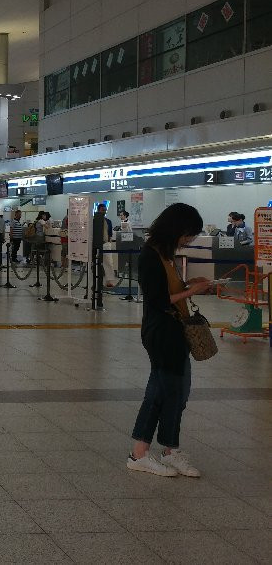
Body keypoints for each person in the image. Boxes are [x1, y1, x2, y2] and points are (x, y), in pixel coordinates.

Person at [128, 203, 211, 478]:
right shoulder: (150, 255)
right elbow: (158, 300)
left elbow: (170, 289)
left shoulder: (166, 255)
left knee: (178, 391)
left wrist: (189, 285)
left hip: (174, 331)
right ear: (175, 229)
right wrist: (190, 292)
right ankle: (139, 454)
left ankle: (169, 450)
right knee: (160, 392)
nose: (189, 240)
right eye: (188, 234)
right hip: (161, 332)